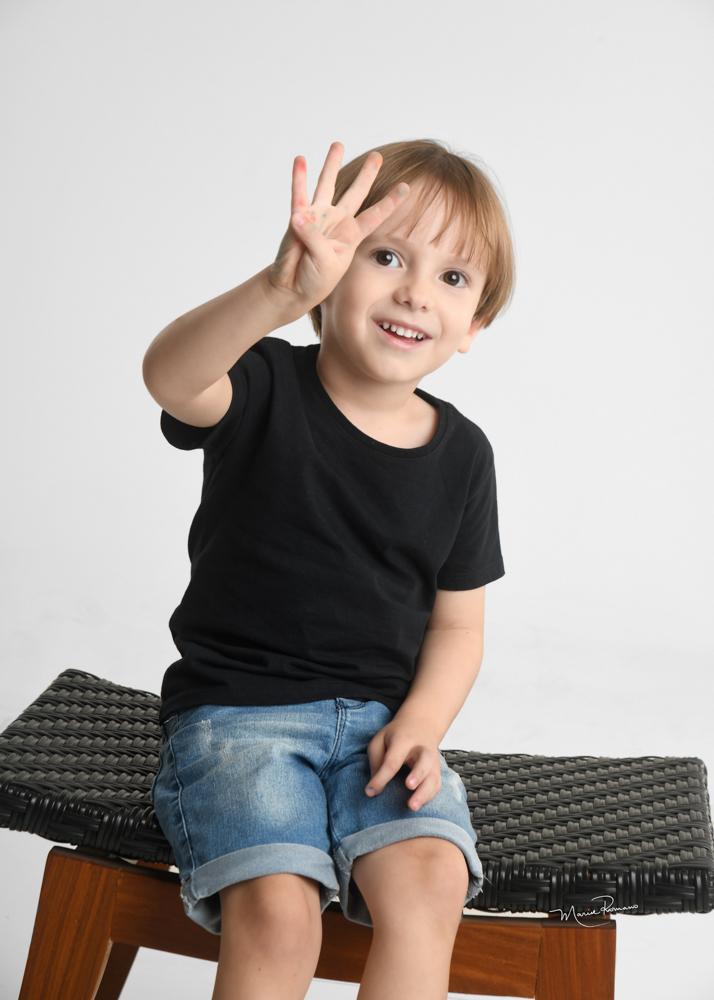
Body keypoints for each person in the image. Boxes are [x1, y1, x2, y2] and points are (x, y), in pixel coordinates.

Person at [143, 138, 514, 1000]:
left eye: (453, 279)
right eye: (385, 255)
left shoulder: (464, 456)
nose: (416, 292)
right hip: (238, 724)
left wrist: (422, 722)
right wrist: (275, 293)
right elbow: (170, 377)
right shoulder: (263, 384)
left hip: (381, 735)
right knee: (280, 914)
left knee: (430, 888)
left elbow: (459, 623)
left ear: (476, 328)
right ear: (332, 272)